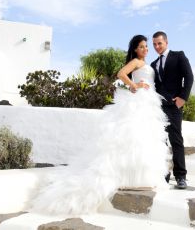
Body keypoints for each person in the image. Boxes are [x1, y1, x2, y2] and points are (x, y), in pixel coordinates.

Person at [30, 35, 168, 215]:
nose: (145, 49)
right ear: (135, 49)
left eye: (146, 46)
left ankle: (141, 176)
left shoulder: (144, 62)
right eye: (142, 47)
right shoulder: (135, 61)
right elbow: (121, 74)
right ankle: (130, 177)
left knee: (144, 136)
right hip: (139, 99)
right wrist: (134, 85)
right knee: (133, 133)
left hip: (148, 100)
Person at [151, 31, 193, 189]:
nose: (157, 46)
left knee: (176, 139)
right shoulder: (153, 64)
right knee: (161, 141)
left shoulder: (179, 56)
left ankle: (181, 176)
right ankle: (163, 174)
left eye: (159, 43)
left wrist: (182, 98)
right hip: (158, 107)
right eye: (154, 44)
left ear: (166, 42)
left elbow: (189, 76)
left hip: (174, 105)